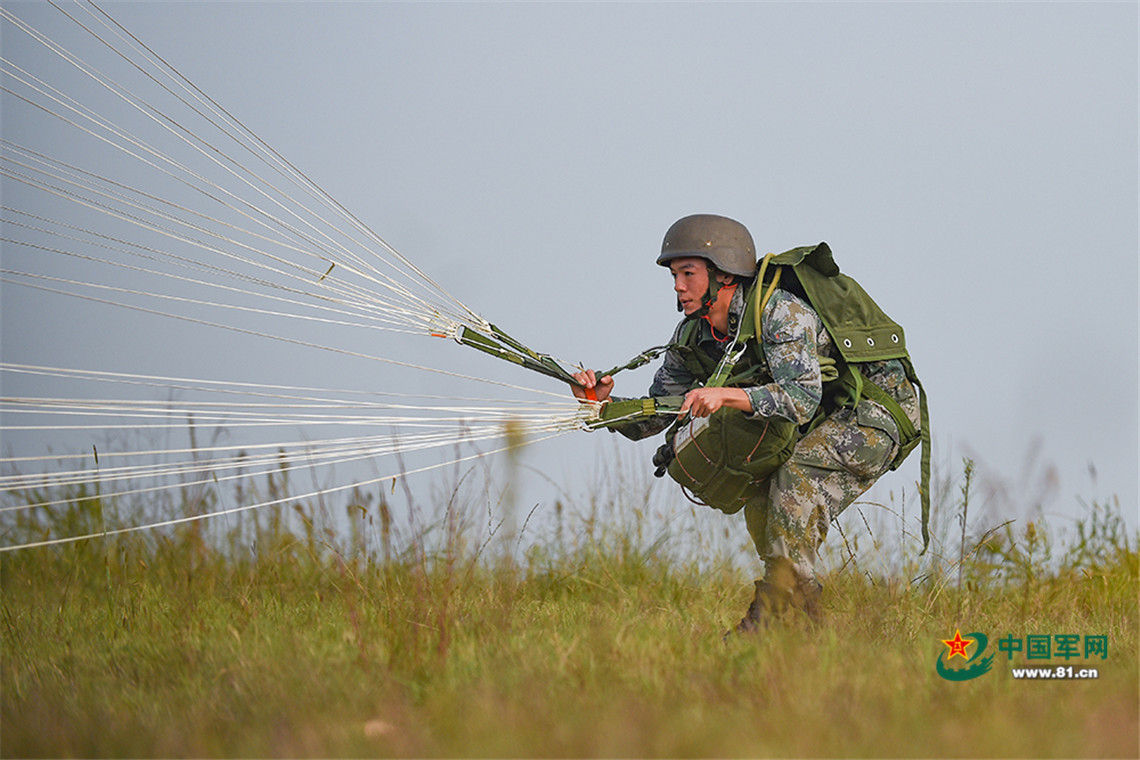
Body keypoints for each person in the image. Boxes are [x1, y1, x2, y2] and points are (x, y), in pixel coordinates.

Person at [570, 214, 921, 633]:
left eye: (688, 274)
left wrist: (726, 396)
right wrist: (603, 406)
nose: (678, 286)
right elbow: (662, 412)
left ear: (725, 276)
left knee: (796, 477)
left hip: (874, 414)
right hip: (824, 416)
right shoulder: (692, 336)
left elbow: (802, 398)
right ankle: (801, 623)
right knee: (758, 492)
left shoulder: (780, 313)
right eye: (675, 275)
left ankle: (773, 620)